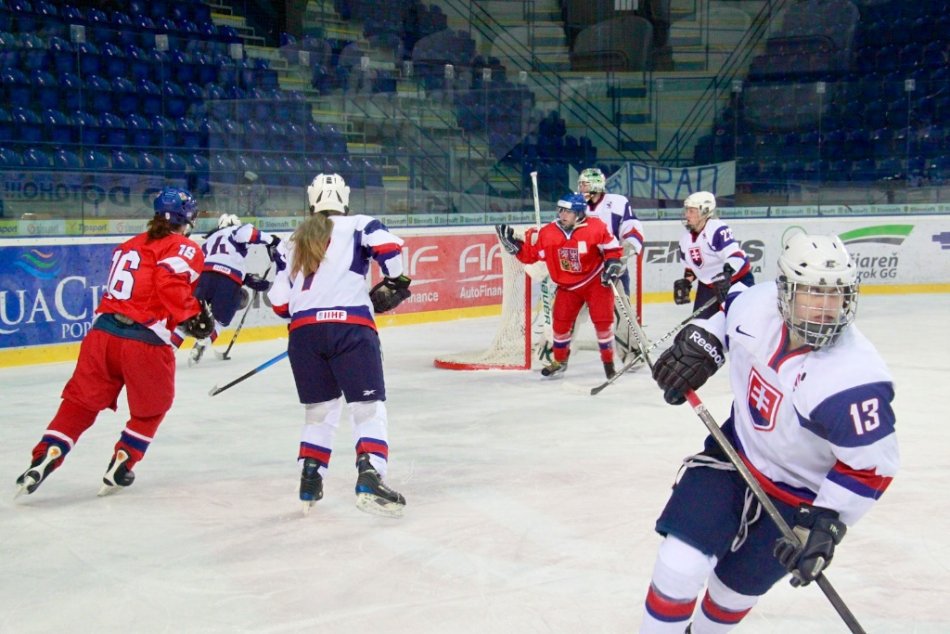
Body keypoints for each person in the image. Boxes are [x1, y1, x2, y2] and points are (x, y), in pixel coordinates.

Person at [638, 231, 899, 633]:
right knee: (678, 565)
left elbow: (870, 467)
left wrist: (827, 523)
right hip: (734, 457)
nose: (826, 308)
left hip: (799, 499)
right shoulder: (758, 306)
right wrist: (704, 344)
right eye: (813, 293)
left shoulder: (854, 381)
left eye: (836, 295)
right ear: (785, 292)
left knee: (731, 594)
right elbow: (726, 311)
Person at [15, 187, 214, 498]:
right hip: (144, 343)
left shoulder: (130, 244)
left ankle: (48, 451)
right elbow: (167, 280)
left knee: (80, 403)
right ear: (187, 218)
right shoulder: (185, 247)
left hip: (102, 336)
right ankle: (123, 460)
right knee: (151, 408)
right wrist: (190, 314)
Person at [267, 173, 411, 518]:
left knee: (320, 410)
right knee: (367, 407)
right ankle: (370, 476)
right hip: (351, 328)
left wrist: (310, 316)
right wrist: (395, 279)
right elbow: (391, 252)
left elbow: (278, 302)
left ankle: (311, 477)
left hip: (305, 335)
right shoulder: (360, 224)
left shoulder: (294, 239)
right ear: (344, 200)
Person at [496, 192, 624, 379]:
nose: (562, 214)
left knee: (603, 323)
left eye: (568, 211)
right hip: (568, 287)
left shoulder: (596, 227)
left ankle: (608, 363)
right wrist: (514, 246)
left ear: (579, 213)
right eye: (561, 210)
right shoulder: (549, 233)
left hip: (595, 282)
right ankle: (560, 361)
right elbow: (532, 255)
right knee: (560, 324)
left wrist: (612, 263)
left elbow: (612, 248)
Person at [175, 212, 281, 365]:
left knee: (189, 318)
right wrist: (272, 241)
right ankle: (201, 346)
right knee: (219, 321)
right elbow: (247, 233)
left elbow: (217, 262)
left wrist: (247, 278)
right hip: (227, 281)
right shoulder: (234, 231)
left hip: (203, 278)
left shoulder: (209, 240)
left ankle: (168, 350)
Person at [578, 166, 646, 362]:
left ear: (596, 185)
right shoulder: (574, 204)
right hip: (581, 271)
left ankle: (633, 351)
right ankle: (554, 352)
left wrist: (621, 254)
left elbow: (632, 229)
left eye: (585, 185)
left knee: (622, 312)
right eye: (580, 185)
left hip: (611, 267)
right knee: (564, 310)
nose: (581, 189)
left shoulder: (617, 203)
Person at [673, 191, 754, 320]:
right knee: (700, 328)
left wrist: (727, 274)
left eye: (692, 211)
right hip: (709, 287)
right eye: (686, 210)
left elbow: (736, 256)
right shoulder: (685, 240)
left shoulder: (716, 228)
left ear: (705, 211)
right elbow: (692, 267)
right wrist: (686, 281)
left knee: (739, 324)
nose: (687, 214)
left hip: (736, 281)